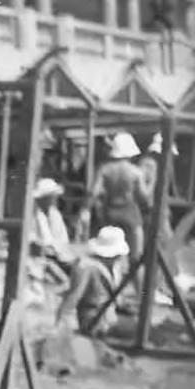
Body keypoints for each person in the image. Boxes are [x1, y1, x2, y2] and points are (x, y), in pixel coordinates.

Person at [55, 225, 130, 338]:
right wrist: (62, 326)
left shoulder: (115, 267)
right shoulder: (86, 266)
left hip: (109, 315)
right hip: (92, 318)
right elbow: (73, 297)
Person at [87, 132, 149, 267]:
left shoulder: (104, 169)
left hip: (110, 212)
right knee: (135, 257)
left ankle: (109, 284)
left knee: (109, 252)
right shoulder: (135, 172)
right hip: (130, 212)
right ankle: (138, 287)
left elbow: (94, 192)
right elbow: (143, 196)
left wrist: (86, 209)